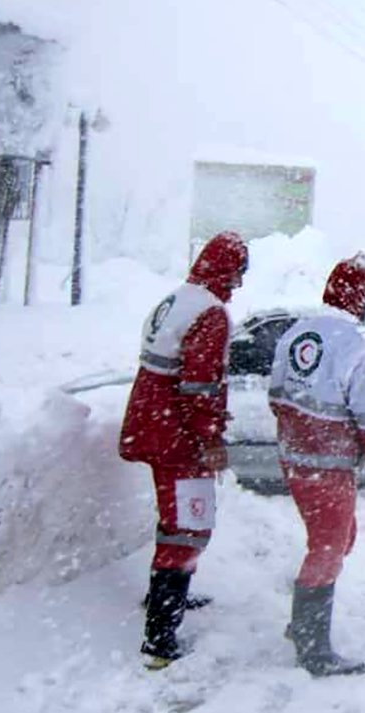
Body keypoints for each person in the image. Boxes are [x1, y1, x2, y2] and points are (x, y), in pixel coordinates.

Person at [267, 252, 365, 677]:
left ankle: (303, 623)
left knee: (340, 538)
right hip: (327, 467)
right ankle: (312, 647)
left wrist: (300, 434)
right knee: (328, 547)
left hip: (295, 461)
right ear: (360, 298)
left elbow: (276, 395)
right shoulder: (359, 350)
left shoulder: (296, 332)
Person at [118, 231, 248, 669]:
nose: (239, 284)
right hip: (178, 434)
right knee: (188, 525)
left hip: (151, 423)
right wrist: (210, 439)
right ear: (224, 269)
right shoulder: (211, 313)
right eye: (238, 273)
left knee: (174, 518)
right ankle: (160, 636)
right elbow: (200, 386)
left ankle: (166, 594)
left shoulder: (176, 298)